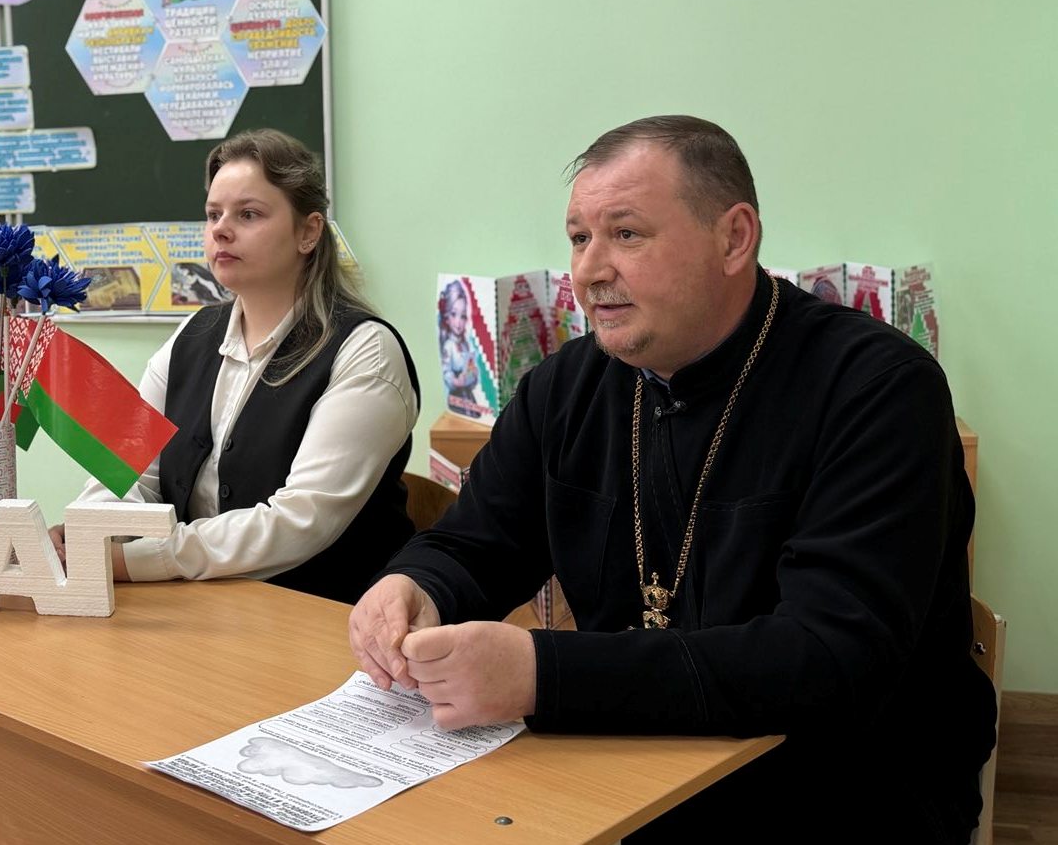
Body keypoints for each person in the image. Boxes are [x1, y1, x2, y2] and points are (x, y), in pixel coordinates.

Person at [347, 115, 995, 842]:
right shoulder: (564, 386)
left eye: (626, 234)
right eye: (579, 238)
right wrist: (415, 586)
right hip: (631, 759)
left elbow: (828, 658)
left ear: (734, 238)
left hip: (841, 783)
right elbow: (476, 542)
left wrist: (542, 674)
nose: (589, 271)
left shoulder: (876, 389)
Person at [51, 129, 419, 604]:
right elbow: (129, 474)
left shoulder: (365, 350)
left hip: (325, 616)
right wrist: (89, 533)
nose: (221, 230)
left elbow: (298, 522)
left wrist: (131, 561)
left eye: (248, 214)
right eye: (213, 214)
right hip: (200, 607)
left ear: (308, 232)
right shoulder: (192, 334)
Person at [438, 279, 481, 418]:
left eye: (462, 316)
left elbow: (471, 369)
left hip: (468, 395)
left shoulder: (465, 344)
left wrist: (472, 374)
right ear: (447, 317)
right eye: (453, 314)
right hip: (456, 397)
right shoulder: (448, 346)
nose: (458, 322)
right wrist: (455, 381)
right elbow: (446, 371)